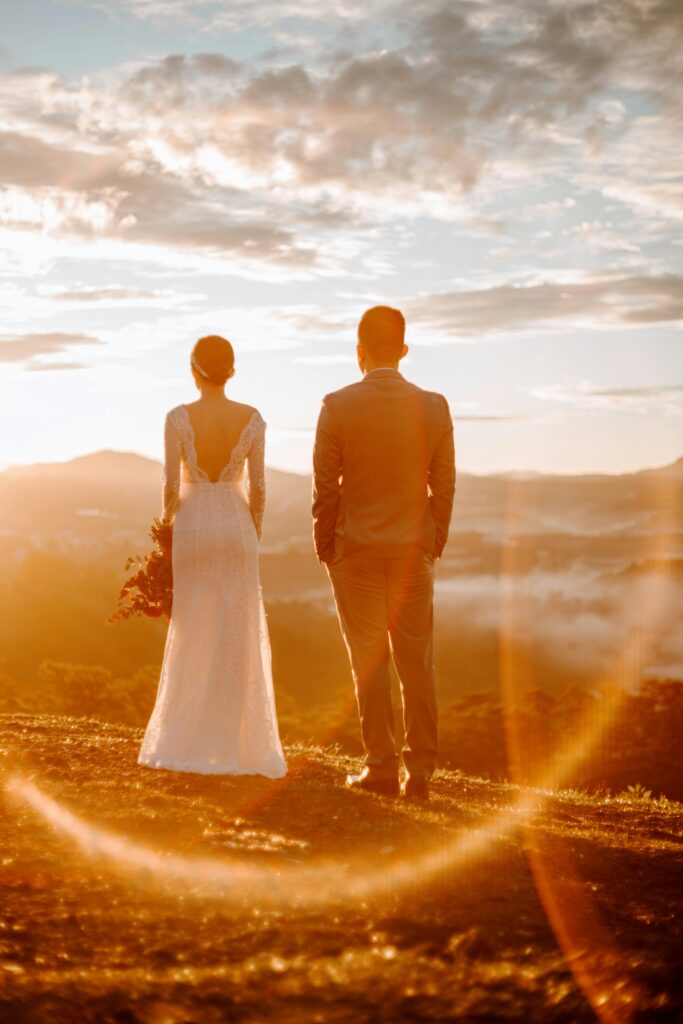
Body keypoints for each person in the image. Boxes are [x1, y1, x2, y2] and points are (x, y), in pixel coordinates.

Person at [312, 306, 455, 801]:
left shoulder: (337, 405)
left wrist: (326, 546)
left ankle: (380, 767)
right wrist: (434, 542)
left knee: (369, 663)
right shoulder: (435, 407)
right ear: (404, 349)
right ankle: (421, 773)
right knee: (418, 662)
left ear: (359, 351)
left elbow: (325, 486)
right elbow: (444, 486)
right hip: (414, 550)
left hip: (355, 551)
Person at [138, 335, 287, 778]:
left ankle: (187, 736)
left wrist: (164, 535)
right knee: (237, 633)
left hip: (194, 526)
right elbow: (258, 489)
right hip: (237, 527)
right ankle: (235, 743)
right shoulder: (252, 418)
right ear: (232, 371)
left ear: (193, 370)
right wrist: (252, 532)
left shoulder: (177, 418)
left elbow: (170, 487)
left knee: (193, 627)